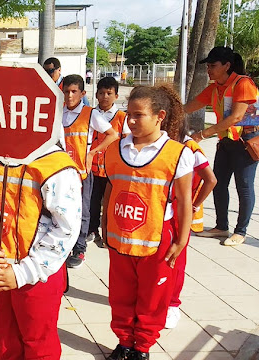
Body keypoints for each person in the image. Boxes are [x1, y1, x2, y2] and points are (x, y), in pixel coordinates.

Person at [0, 142, 82, 359]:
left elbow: (67, 228)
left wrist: (21, 273)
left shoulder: (56, 165)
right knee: (4, 340)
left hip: (36, 277)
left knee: (38, 345)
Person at [103, 85, 193, 360]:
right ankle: (124, 342)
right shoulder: (116, 149)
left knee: (152, 300)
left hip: (157, 240)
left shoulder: (178, 153)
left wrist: (181, 241)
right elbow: (109, 189)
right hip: (119, 238)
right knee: (121, 296)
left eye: (138, 115)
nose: (131, 121)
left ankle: (142, 347)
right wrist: (104, 223)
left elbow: (185, 201)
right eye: (128, 114)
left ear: (159, 116)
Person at [184, 46, 259, 246]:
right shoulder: (215, 87)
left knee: (244, 187)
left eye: (212, 66)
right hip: (225, 142)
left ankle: (240, 231)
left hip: (245, 143)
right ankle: (221, 226)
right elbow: (191, 106)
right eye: (207, 66)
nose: (209, 70)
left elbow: (236, 117)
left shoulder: (243, 83)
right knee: (217, 183)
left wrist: (202, 134)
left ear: (227, 65)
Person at [163, 119, 217, 329]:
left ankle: (173, 304)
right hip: (162, 210)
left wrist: (194, 204)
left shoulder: (189, 147)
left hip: (180, 210)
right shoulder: (160, 144)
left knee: (177, 256)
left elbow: (211, 179)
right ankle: (158, 298)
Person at [61, 74, 118, 268]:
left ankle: (79, 248)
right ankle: (64, 245)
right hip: (61, 173)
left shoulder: (90, 113)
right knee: (62, 210)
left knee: (83, 211)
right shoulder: (58, 113)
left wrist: (92, 152)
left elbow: (112, 134)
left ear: (82, 93)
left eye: (74, 92)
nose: (69, 96)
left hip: (82, 173)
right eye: (66, 91)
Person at [87, 76, 127, 247]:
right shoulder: (89, 114)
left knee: (111, 203)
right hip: (92, 167)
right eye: (101, 93)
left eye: (109, 93)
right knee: (92, 202)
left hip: (112, 169)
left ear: (116, 96)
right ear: (96, 95)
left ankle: (108, 232)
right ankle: (92, 230)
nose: (105, 96)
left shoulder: (122, 117)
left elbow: (126, 139)